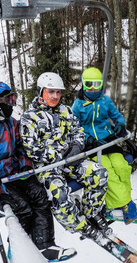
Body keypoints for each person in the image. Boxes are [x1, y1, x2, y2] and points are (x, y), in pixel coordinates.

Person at [0, 81, 76, 262]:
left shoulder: (11, 123)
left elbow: (20, 148)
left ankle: (45, 246)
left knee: (41, 196)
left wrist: (25, 165)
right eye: (8, 100)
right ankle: (18, 252)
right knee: (22, 208)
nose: (12, 104)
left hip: (17, 174)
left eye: (13, 99)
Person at [19, 72, 109, 240]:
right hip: (47, 167)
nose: (55, 96)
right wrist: (60, 154)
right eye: (51, 92)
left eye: (58, 92)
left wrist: (76, 146)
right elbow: (32, 149)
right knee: (58, 193)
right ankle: (79, 225)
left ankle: (91, 212)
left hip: (71, 161)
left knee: (99, 173)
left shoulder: (65, 111)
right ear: (41, 91)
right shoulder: (29, 117)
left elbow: (79, 132)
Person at [72, 67, 137, 224]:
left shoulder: (105, 101)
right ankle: (125, 204)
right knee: (107, 170)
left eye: (97, 84)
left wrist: (120, 125)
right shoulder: (78, 105)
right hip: (92, 146)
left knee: (122, 166)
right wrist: (87, 139)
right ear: (83, 85)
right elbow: (74, 127)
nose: (93, 88)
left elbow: (117, 116)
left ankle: (122, 201)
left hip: (108, 140)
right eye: (89, 85)